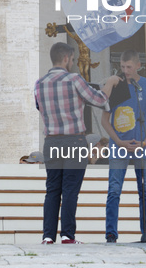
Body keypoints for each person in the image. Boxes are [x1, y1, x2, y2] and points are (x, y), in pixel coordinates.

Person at [35, 42, 121, 245]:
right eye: (72, 60)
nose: (73, 63)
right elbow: (99, 100)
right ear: (66, 58)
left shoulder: (39, 83)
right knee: (70, 189)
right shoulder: (74, 79)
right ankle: (67, 235)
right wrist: (109, 82)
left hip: (51, 141)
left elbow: (39, 108)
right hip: (74, 139)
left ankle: (48, 236)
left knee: (52, 189)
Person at [102, 50, 146, 244]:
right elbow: (105, 120)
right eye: (122, 66)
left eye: (129, 67)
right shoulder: (116, 86)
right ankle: (111, 234)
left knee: (145, 190)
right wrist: (118, 141)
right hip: (119, 146)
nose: (125, 70)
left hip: (142, 146)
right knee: (114, 189)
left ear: (138, 65)